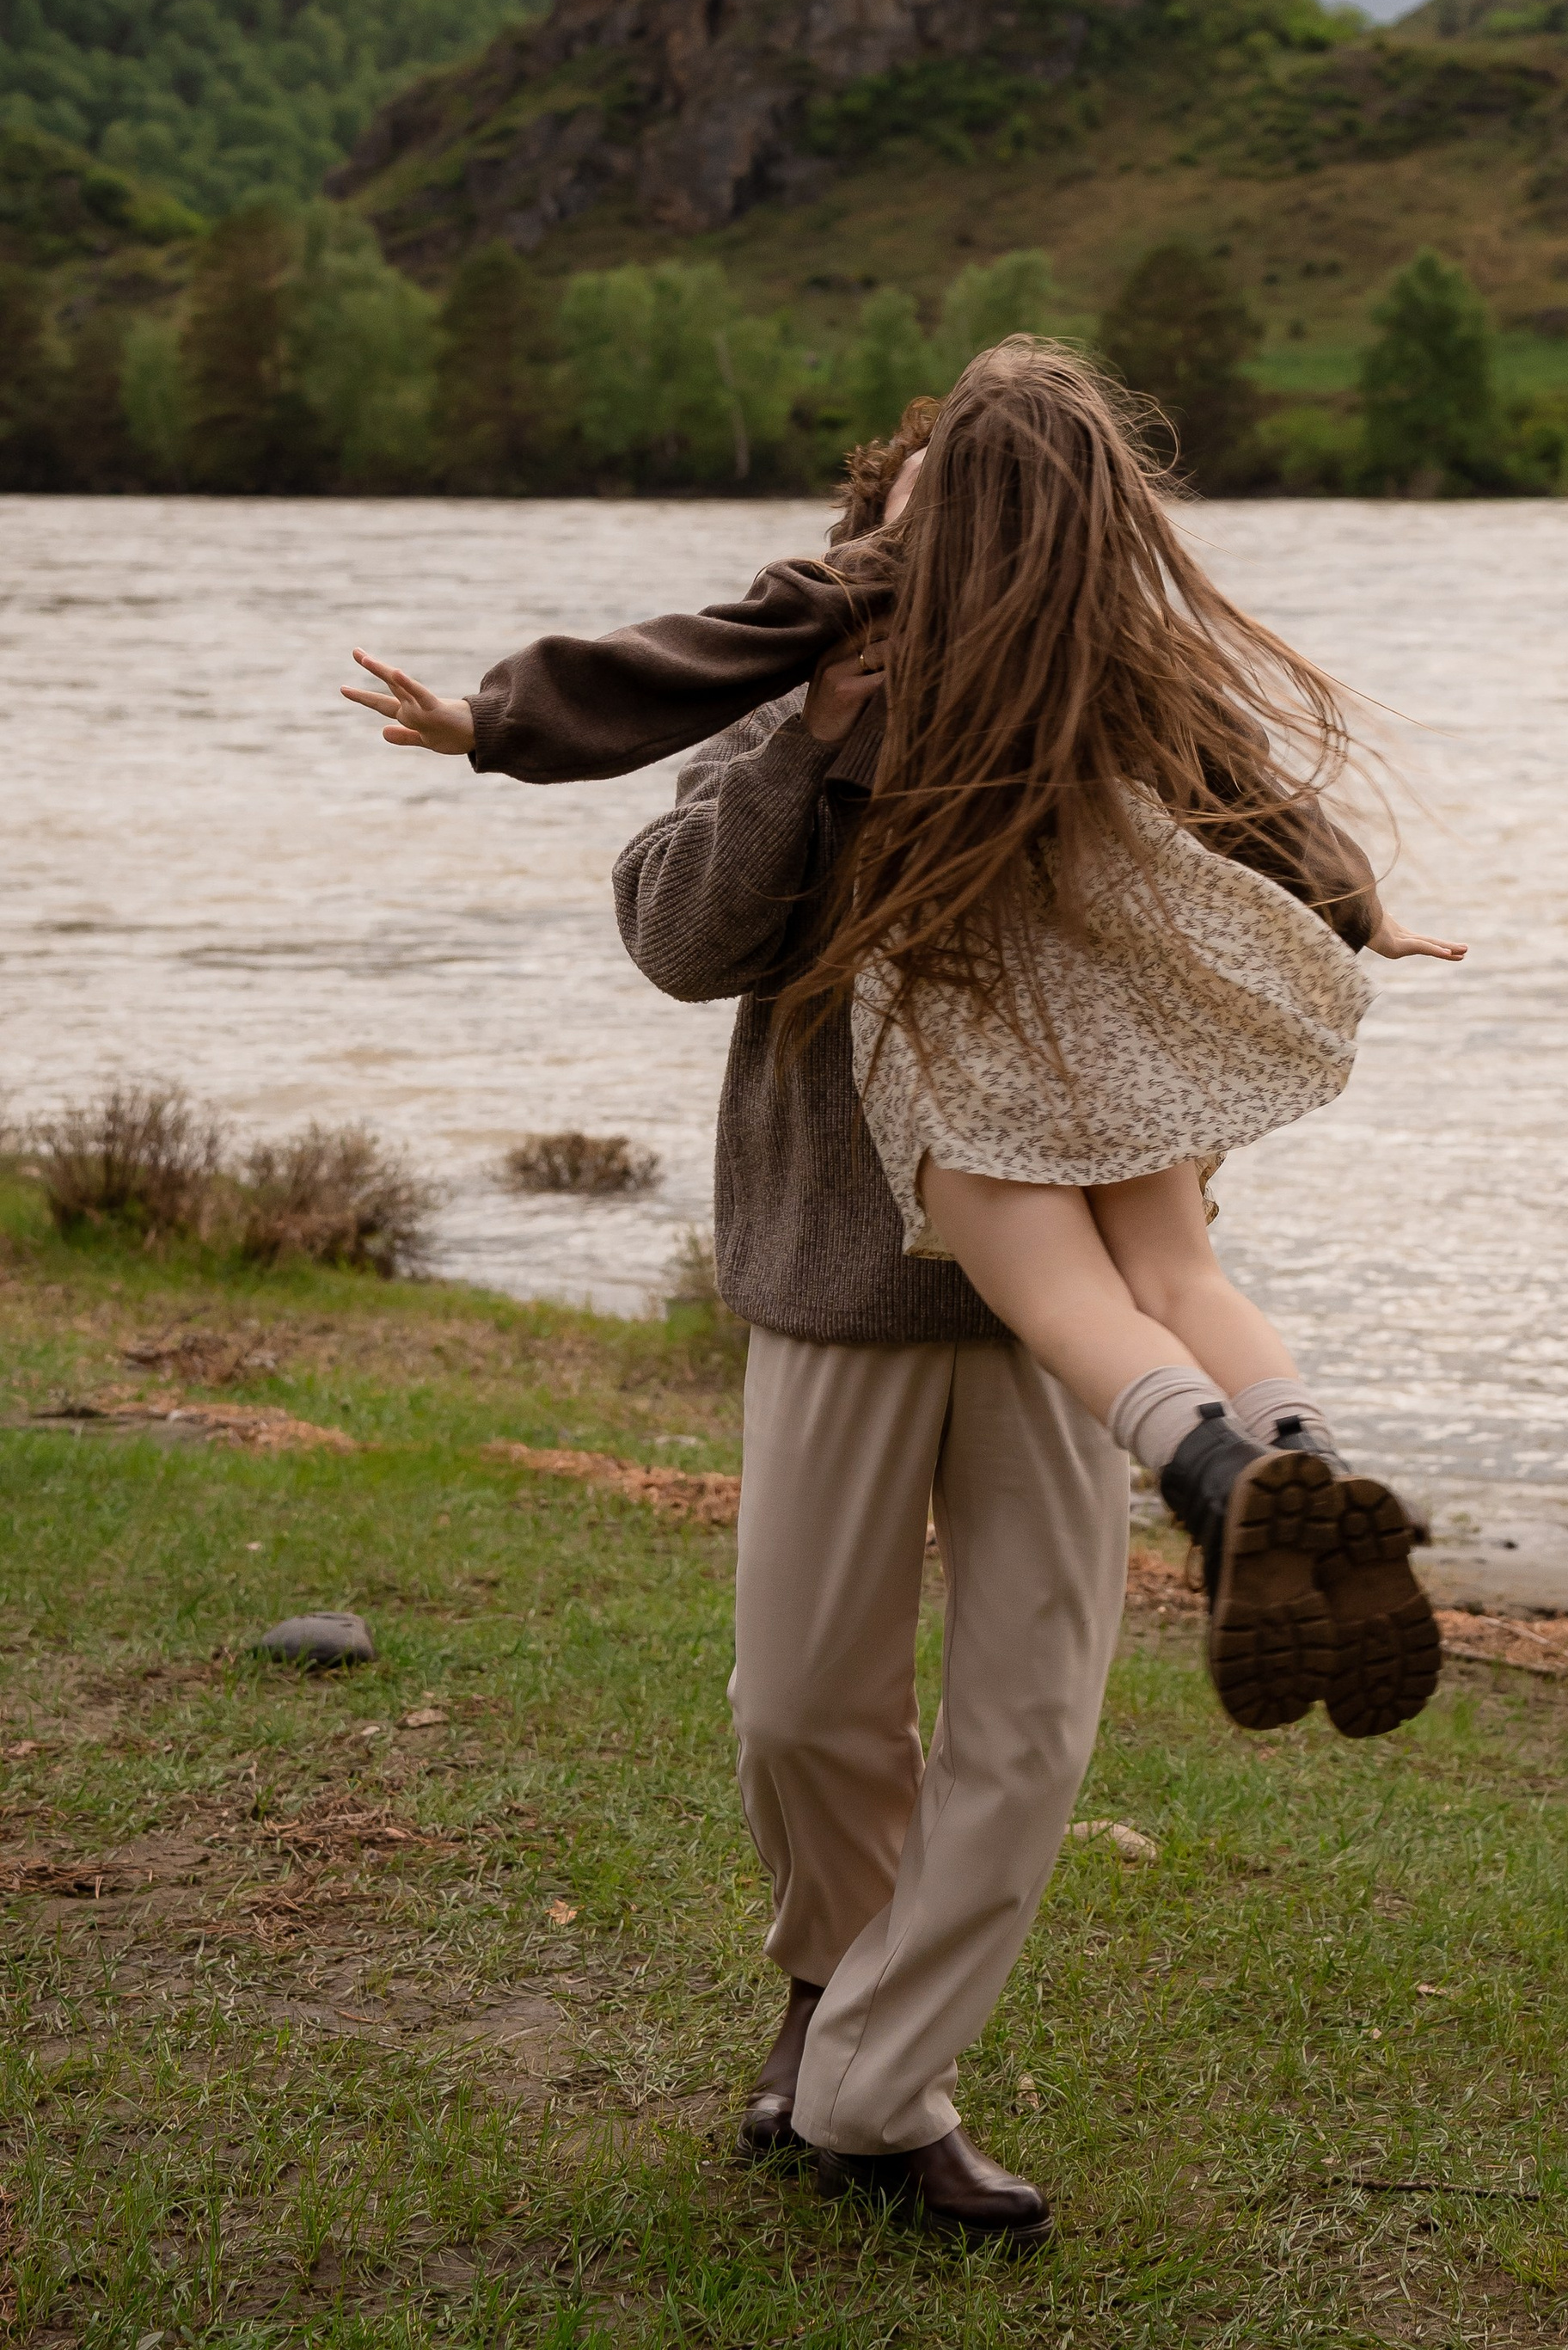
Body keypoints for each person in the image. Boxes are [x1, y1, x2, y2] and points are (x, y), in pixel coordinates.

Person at [341, 348, 1461, 2237]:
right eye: (923, 480)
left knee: (1029, 1730)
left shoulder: (1079, 674)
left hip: (1053, 1304)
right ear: (880, 502)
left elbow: (1237, 802)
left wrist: (1352, 906)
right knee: (799, 1708)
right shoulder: (792, 679)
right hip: (842, 1282)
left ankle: (873, 2084)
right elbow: (677, 936)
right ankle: (827, 1994)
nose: (948, 516)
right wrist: (811, 751)